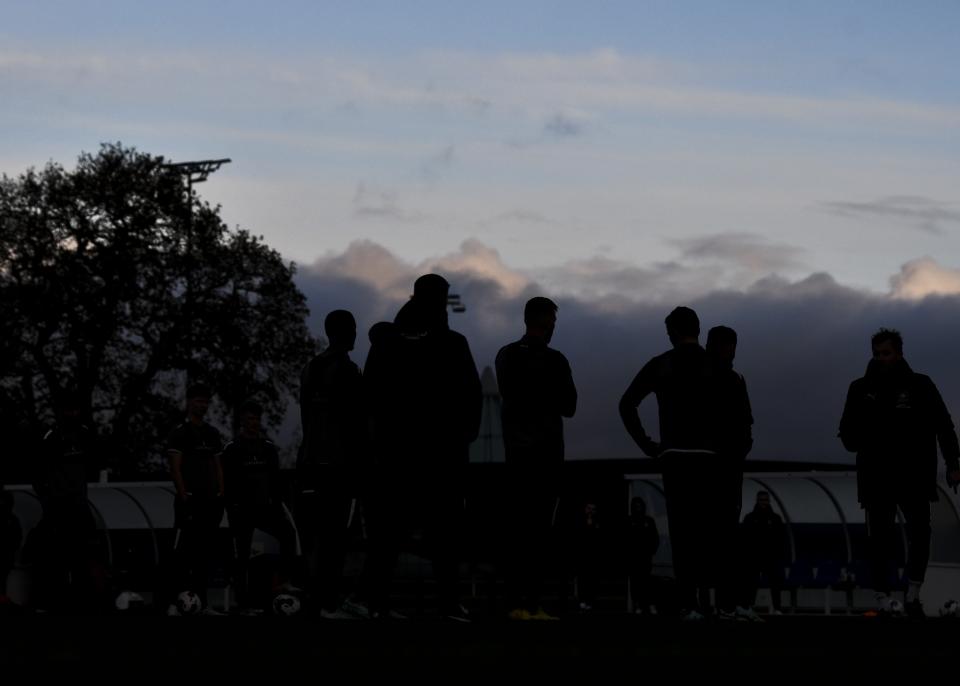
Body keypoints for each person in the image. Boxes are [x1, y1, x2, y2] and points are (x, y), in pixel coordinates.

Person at [618, 307, 750, 620]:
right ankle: (722, 602)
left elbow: (627, 404)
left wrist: (649, 446)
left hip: (675, 457)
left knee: (683, 532)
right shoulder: (717, 366)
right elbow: (738, 418)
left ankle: (689, 602)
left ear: (673, 332)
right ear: (698, 329)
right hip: (712, 458)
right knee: (715, 531)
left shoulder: (661, 364)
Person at [364, 274, 482, 621]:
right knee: (440, 533)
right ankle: (443, 603)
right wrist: (461, 437)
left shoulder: (388, 343)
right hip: (436, 457)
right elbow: (472, 396)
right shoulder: (451, 343)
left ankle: (378, 602)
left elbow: (369, 397)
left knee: (392, 532)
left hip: (401, 455)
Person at [839, 328, 960, 618]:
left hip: (914, 475)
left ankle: (913, 593)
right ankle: (883, 597)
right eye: (877, 354)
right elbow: (847, 434)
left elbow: (943, 424)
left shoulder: (920, 385)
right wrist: (863, 435)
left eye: (886, 353)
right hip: (876, 477)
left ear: (899, 352)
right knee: (879, 539)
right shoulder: (860, 389)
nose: (881, 358)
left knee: (920, 534)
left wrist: (953, 464)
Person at [495, 296, 576, 620]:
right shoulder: (556, 360)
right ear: (547, 323)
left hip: (516, 455)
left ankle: (515, 603)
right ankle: (532, 603)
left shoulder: (506, 355)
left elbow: (510, 394)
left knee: (516, 531)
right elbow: (569, 405)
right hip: (546, 457)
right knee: (540, 533)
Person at [297, 309, 370, 619]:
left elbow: (306, 417)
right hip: (339, 466)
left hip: (311, 462)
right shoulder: (348, 371)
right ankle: (329, 601)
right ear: (347, 332)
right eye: (353, 328)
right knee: (336, 537)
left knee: (316, 536)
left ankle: (316, 600)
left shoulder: (310, 369)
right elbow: (357, 423)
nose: (356, 334)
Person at [222, 400, 298, 612]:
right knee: (243, 556)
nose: (254, 422)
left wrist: (278, 505)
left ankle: (284, 580)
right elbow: (226, 481)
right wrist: (232, 508)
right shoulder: (232, 448)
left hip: (267, 509)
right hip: (242, 511)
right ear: (242, 421)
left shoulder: (268, 448)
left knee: (288, 534)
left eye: (257, 418)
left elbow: (276, 480)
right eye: (250, 419)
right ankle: (242, 601)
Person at [166, 383, 225, 615]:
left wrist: (220, 494)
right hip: (188, 502)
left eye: (206, 401)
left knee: (203, 556)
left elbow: (219, 467)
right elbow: (175, 468)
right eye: (199, 401)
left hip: (209, 502)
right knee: (180, 554)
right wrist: (184, 497)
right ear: (189, 402)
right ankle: (173, 603)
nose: (203, 405)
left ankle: (204, 604)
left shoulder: (212, 433)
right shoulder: (180, 432)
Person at [738, 491, 786, 619]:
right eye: (761, 500)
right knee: (751, 583)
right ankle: (748, 606)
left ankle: (777, 608)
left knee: (774, 584)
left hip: (771, 557)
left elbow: (781, 538)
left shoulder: (775, 518)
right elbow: (744, 538)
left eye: (765, 500)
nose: (763, 503)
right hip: (754, 557)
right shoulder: (750, 518)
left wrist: (778, 554)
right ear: (757, 501)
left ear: (768, 501)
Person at [626, 497, 659, 615]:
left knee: (647, 581)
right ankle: (637, 605)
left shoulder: (649, 520)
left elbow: (655, 537)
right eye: (636, 506)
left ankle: (650, 604)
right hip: (633, 558)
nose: (638, 508)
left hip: (646, 557)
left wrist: (651, 551)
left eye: (640, 505)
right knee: (635, 582)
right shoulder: (629, 521)